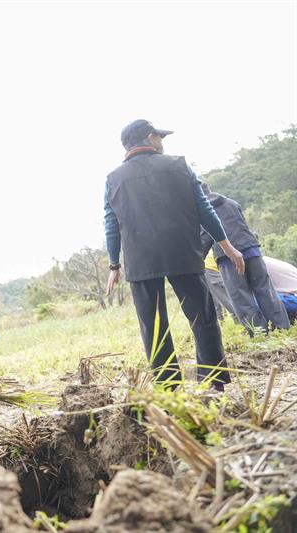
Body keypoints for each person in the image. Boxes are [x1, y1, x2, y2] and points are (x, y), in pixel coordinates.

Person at [104, 119, 245, 389]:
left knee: (154, 325)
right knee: (202, 316)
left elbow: (111, 224)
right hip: (183, 252)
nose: (162, 143)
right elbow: (205, 209)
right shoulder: (179, 165)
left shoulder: (113, 179)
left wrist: (114, 265)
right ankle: (213, 382)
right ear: (149, 138)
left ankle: (169, 388)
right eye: (160, 137)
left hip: (141, 260)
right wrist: (226, 245)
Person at [200, 183, 290, 334]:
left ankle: (259, 334)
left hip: (228, 257)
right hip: (252, 250)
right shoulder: (231, 203)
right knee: (266, 291)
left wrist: (197, 259)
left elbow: (205, 238)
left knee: (241, 298)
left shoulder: (203, 210)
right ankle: (282, 329)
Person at [262, 255, 297, 322]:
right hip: (287, 293)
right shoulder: (260, 260)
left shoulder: (255, 264)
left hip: (293, 297)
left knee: (251, 302)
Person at [204, 250, 236, 321]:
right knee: (224, 297)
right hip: (210, 265)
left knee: (225, 296)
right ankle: (239, 320)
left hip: (216, 262)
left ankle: (239, 320)